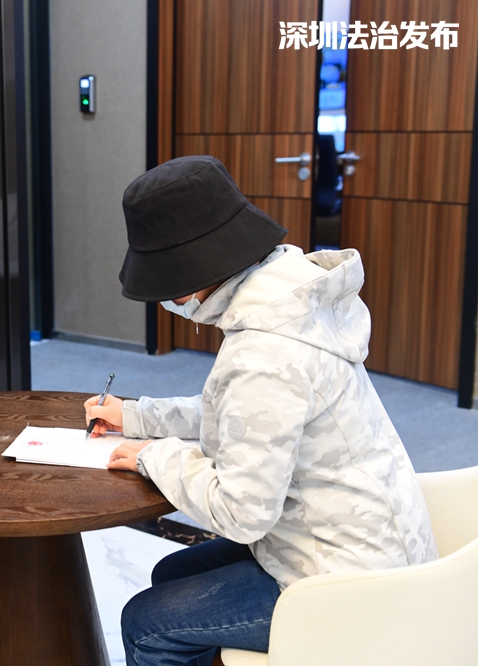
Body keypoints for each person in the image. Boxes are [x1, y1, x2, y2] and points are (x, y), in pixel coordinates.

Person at [84, 155, 438, 666]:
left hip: (348, 581)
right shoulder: (290, 299)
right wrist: (137, 416)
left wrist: (152, 455)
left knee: (146, 623)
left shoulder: (263, 353)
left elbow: (240, 513)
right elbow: (243, 418)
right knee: (172, 574)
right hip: (361, 536)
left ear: (188, 274)